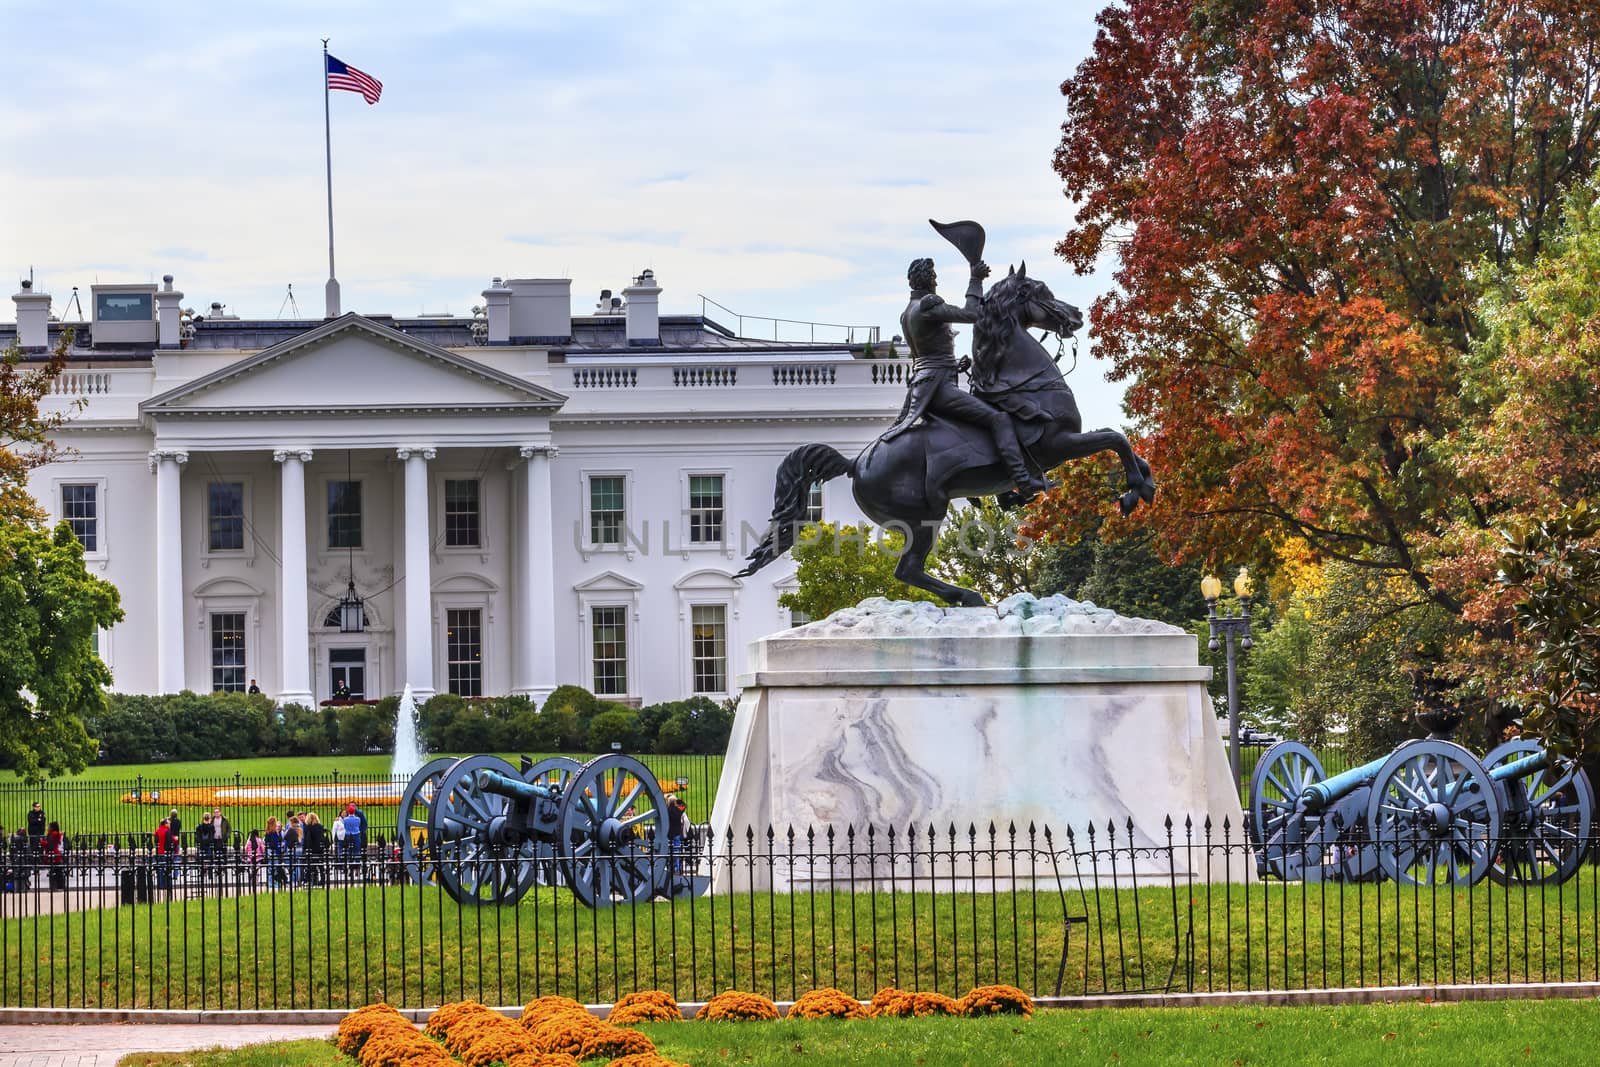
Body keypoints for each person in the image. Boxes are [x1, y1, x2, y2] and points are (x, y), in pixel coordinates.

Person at [882, 256, 1053, 500]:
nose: (936, 280)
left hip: (927, 382)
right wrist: (975, 279)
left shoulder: (906, 312)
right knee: (999, 418)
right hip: (939, 388)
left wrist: (953, 364)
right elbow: (972, 314)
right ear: (928, 280)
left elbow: (926, 354)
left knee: (979, 421)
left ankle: (1000, 489)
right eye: (934, 277)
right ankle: (1022, 481)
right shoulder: (927, 305)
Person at [303, 812, 327, 886]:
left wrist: (306, 848)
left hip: (311, 848)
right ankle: (323, 880)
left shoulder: (308, 827)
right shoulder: (320, 826)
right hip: (320, 848)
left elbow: (307, 839)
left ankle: (313, 880)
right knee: (320, 865)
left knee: (312, 865)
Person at [263, 817, 285, 889]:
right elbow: (274, 844)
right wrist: (279, 851)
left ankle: (271, 882)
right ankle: (271, 882)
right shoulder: (273, 833)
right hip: (273, 851)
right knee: (273, 868)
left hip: (269, 851)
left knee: (271, 868)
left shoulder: (267, 832)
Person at [44, 821, 66, 890]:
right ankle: (60, 885)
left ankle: (54, 886)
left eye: (49, 826)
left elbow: (50, 844)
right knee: (58, 871)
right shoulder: (55, 834)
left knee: (54, 870)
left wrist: (43, 843)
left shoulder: (52, 834)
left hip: (53, 854)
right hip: (56, 854)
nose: (48, 828)